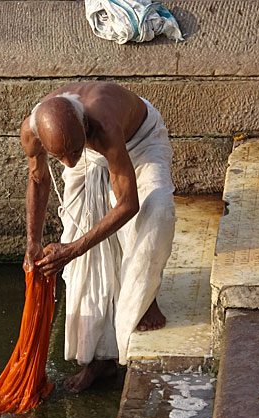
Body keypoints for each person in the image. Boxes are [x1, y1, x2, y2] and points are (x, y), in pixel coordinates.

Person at [21, 81, 176, 393]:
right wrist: (32, 240)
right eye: (59, 157)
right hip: (91, 150)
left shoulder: (103, 122)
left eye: (72, 153)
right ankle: (99, 360)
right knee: (80, 234)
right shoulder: (32, 131)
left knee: (156, 212)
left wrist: (74, 249)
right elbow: (38, 181)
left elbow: (128, 204)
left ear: (85, 126)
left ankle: (146, 299)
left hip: (138, 142)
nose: (67, 165)